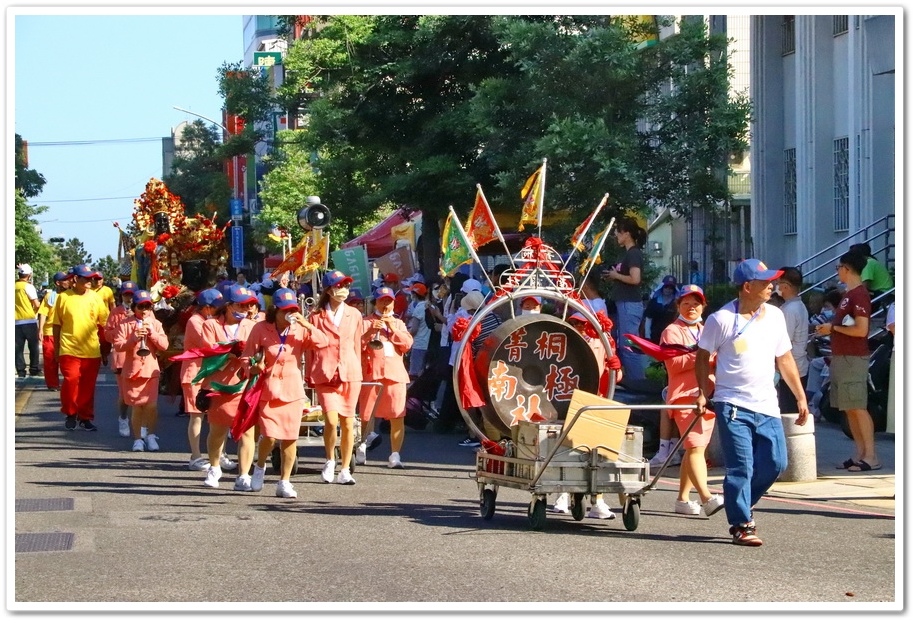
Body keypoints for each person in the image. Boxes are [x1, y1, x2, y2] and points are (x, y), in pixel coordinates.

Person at [695, 259, 809, 547]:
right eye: (765, 281)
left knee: (776, 463)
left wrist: (799, 395)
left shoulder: (775, 315)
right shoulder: (720, 319)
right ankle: (741, 524)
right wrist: (702, 390)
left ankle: (742, 501)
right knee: (741, 468)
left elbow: (783, 358)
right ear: (747, 286)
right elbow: (702, 356)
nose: (772, 285)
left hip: (767, 404)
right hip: (732, 403)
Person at [242, 288, 326, 497]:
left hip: (292, 390)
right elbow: (246, 357)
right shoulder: (260, 328)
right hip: (269, 391)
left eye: (293, 310)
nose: (289, 314)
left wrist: (307, 323)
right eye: (285, 310)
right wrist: (253, 367)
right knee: (269, 436)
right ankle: (260, 467)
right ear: (275, 310)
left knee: (290, 439)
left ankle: (285, 481)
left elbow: (323, 342)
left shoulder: (299, 330)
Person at [552, 311, 623, 520]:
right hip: (564, 402)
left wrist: (615, 367)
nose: (580, 327)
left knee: (597, 453)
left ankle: (597, 501)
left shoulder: (601, 343)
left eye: (583, 324)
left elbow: (615, 376)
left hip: (594, 403)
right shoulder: (559, 341)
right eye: (575, 323)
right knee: (566, 449)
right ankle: (562, 493)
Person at [660, 285, 724, 517]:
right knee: (695, 447)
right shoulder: (671, 331)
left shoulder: (706, 329)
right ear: (678, 306)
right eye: (686, 303)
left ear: (703, 307)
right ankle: (707, 498)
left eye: (696, 303)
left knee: (695, 449)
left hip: (707, 396)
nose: (691, 308)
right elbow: (673, 364)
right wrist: (702, 354)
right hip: (684, 397)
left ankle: (682, 499)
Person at [814, 251, 880, 472]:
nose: (837, 272)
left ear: (847, 268)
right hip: (843, 356)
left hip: (853, 358)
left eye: (838, 268)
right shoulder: (847, 295)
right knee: (849, 407)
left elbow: (861, 330)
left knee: (858, 406)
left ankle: (870, 456)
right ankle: (859, 453)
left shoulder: (859, 295)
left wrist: (832, 328)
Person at [306, 269, 364, 485]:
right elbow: (310, 348)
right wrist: (309, 373)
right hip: (325, 371)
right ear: (329, 290)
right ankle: (330, 459)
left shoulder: (355, 314)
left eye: (346, 286)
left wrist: (358, 368)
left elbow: (357, 343)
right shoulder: (316, 316)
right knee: (331, 419)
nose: (343, 290)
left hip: (350, 372)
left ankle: (345, 467)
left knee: (348, 423)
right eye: (339, 286)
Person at [199, 284, 259, 489]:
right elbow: (209, 352)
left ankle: (244, 475)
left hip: (245, 384)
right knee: (217, 430)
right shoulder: (211, 325)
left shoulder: (252, 326)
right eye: (240, 306)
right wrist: (230, 352)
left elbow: (258, 351)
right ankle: (214, 467)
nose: (244, 310)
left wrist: (252, 359)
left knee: (247, 432)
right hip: (220, 385)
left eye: (247, 306)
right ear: (228, 305)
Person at [356, 287, 414, 468]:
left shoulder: (398, 323)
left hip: (395, 374)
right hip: (371, 374)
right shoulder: (365, 321)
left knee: (397, 415)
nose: (386, 304)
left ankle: (395, 454)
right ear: (375, 302)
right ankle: (362, 446)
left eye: (389, 301)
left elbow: (407, 344)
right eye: (382, 300)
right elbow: (355, 346)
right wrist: (369, 332)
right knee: (366, 415)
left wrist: (391, 328)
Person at [52, 264, 110, 431]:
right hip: (69, 349)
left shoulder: (96, 298)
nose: (90, 282)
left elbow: (104, 325)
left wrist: (106, 350)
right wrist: (56, 350)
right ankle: (70, 412)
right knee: (70, 381)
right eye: (86, 278)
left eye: (91, 278)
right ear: (76, 279)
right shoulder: (63, 298)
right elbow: (57, 325)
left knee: (88, 386)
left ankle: (85, 417)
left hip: (91, 350)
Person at [112, 290, 169, 451]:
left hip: (150, 370)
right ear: (134, 306)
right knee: (137, 406)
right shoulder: (125, 323)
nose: (144, 310)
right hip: (132, 369)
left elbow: (164, 346)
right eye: (141, 306)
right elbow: (118, 345)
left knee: (151, 406)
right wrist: (134, 338)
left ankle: (151, 435)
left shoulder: (155, 323)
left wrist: (151, 333)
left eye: (148, 306)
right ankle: (137, 439)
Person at [181, 288, 223, 471]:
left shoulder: (209, 320)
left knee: (216, 417)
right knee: (197, 416)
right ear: (206, 308)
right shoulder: (195, 321)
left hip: (208, 373)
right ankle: (196, 456)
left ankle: (218, 454)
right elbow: (211, 345)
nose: (219, 311)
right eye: (216, 308)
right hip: (194, 373)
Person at [602, 216, 648, 383]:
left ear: (627, 234)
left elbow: (635, 279)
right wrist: (615, 276)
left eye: (618, 232)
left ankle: (637, 382)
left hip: (630, 304)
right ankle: (632, 379)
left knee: (628, 345)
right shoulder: (629, 254)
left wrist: (616, 275)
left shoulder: (633, 253)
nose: (616, 235)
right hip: (625, 303)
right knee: (623, 344)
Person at [103, 280, 138, 438]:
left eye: (131, 295)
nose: (129, 298)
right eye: (126, 295)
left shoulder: (145, 311)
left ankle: (141, 423)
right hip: (121, 358)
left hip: (139, 358)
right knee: (124, 394)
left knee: (141, 393)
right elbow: (107, 334)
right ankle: (123, 418)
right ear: (121, 296)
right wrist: (122, 329)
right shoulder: (116, 312)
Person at [775, 267, 809, 414]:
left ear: (786, 286)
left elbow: (783, 342)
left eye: (778, 283)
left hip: (791, 368)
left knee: (789, 413)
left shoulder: (789, 310)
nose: (775, 286)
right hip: (798, 365)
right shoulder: (798, 306)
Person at [35, 271, 71, 390]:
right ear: (58, 283)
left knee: (67, 359)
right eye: (65, 280)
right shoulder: (50, 296)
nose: (68, 282)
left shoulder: (71, 295)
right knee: (50, 359)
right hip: (50, 332)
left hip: (66, 332)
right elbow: (43, 313)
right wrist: (40, 330)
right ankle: (52, 384)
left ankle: (69, 383)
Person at [14, 263, 41, 378]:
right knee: (33, 347)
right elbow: (36, 304)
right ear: (29, 275)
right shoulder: (28, 286)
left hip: (15, 321)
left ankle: (21, 371)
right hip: (29, 320)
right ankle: (34, 368)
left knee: (17, 348)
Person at [640, 275, 678, 345]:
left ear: (674, 290)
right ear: (662, 287)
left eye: (671, 288)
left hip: (671, 338)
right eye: (666, 287)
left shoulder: (677, 304)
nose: (668, 290)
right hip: (654, 337)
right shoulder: (654, 302)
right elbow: (648, 319)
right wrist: (647, 336)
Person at [90, 271, 116, 366]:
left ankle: (104, 355)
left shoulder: (107, 290)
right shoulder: (88, 290)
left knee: (105, 340)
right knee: (93, 340)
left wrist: (115, 316)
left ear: (103, 279)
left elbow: (112, 304)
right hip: (92, 320)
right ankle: (95, 357)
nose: (98, 281)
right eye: (96, 279)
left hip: (105, 319)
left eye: (99, 279)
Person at [406, 282, 431, 379]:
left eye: (412, 293)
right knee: (424, 374)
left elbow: (414, 329)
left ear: (415, 295)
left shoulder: (419, 308)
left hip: (418, 344)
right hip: (428, 343)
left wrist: (406, 335)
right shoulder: (430, 306)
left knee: (414, 375)